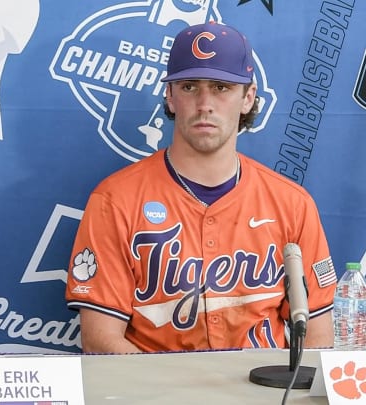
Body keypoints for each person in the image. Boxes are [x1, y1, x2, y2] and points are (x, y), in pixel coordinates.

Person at [65, 22, 337, 353]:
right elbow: (101, 339)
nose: (205, 103)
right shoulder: (115, 200)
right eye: (190, 87)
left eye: (222, 87)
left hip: (263, 390)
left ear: (248, 98)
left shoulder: (292, 204)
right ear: (170, 96)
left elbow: (317, 337)